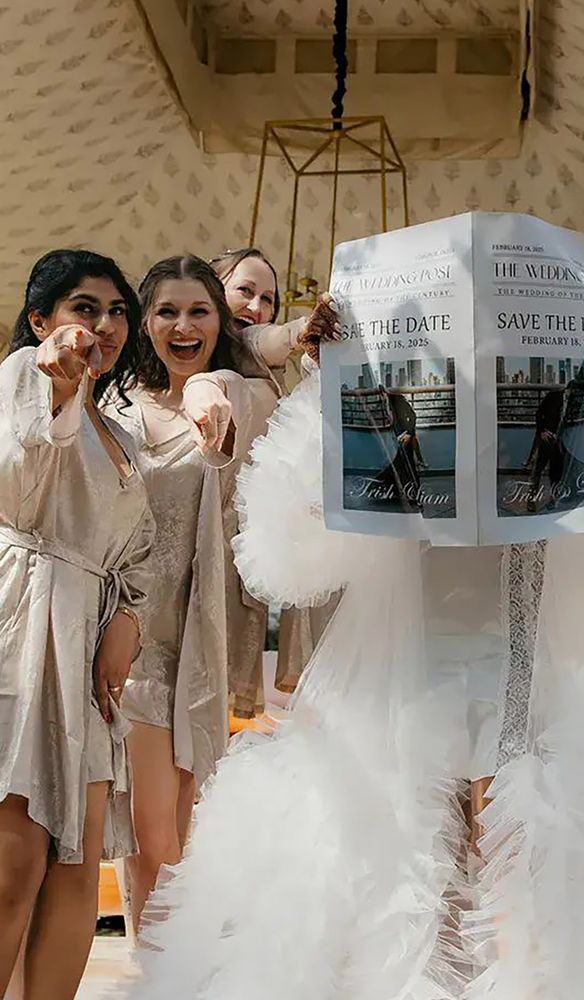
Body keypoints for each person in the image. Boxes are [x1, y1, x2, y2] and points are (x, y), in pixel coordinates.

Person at [121, 300, 584, 1000]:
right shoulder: (401, 414)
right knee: (409, 862)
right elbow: (291, 547)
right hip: (405, 664)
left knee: (527, 853)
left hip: (536, 661)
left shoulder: (552, 418)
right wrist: (333, 377)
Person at [107, 255, 279, 931]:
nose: (183, 325)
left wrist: (215, 384)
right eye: (167, 311)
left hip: (201, 648)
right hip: (133, 646)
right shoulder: (113, 408)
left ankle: (164, 975)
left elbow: (272, 355)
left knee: (180, 846)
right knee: (157, 842)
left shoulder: (242, 397)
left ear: (219, 320)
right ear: (144, 320)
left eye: (199, 311)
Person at [0, 249, 154, 999]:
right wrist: (54, 389)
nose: (104, 325)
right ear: (40, 320)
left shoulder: (122, 433)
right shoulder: (20, 379)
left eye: (117, 310)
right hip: (21, 626)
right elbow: (16, 485)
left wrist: (126, 619)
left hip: (89, 658)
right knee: (13, 865)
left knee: (72, 870)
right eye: (83, 308)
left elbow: (140, 553)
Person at [211, 246, 343, 700]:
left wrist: (304, 332)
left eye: (268, 299)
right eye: (244, 291)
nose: (256, 307)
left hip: (235, 546)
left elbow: (270, 337)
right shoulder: (199, 363)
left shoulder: (259, 361)